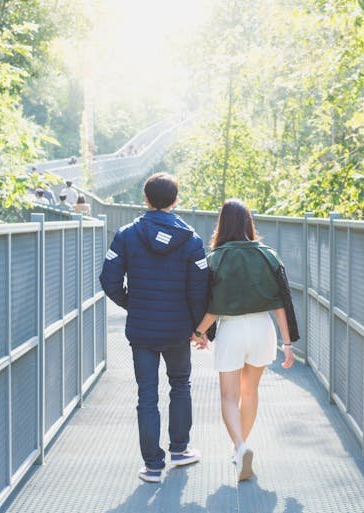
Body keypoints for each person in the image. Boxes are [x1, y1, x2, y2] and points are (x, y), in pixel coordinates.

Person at [99, 173, 208, 483]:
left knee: (147, 395)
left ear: (145, 199)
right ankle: (180, 449)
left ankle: (152, 465)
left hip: (142, 331)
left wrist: (132, 304)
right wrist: (198, 329)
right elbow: (200, 289)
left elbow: (108, 280)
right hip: (178, 330)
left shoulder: (126, 234)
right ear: (175, 201)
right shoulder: (192, 240)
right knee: (180, 385)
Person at [191, 199, 298, 482]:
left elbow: (213, 307)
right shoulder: (268, 256)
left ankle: (240, 447)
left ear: (221, 223)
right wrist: (287, 344)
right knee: (250, 392)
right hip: (263, 329)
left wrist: (199, 333)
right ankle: (241, 449)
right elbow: (281, 304)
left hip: (232, 330)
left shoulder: (216, 258)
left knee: (229, 396)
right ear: (249, 222)